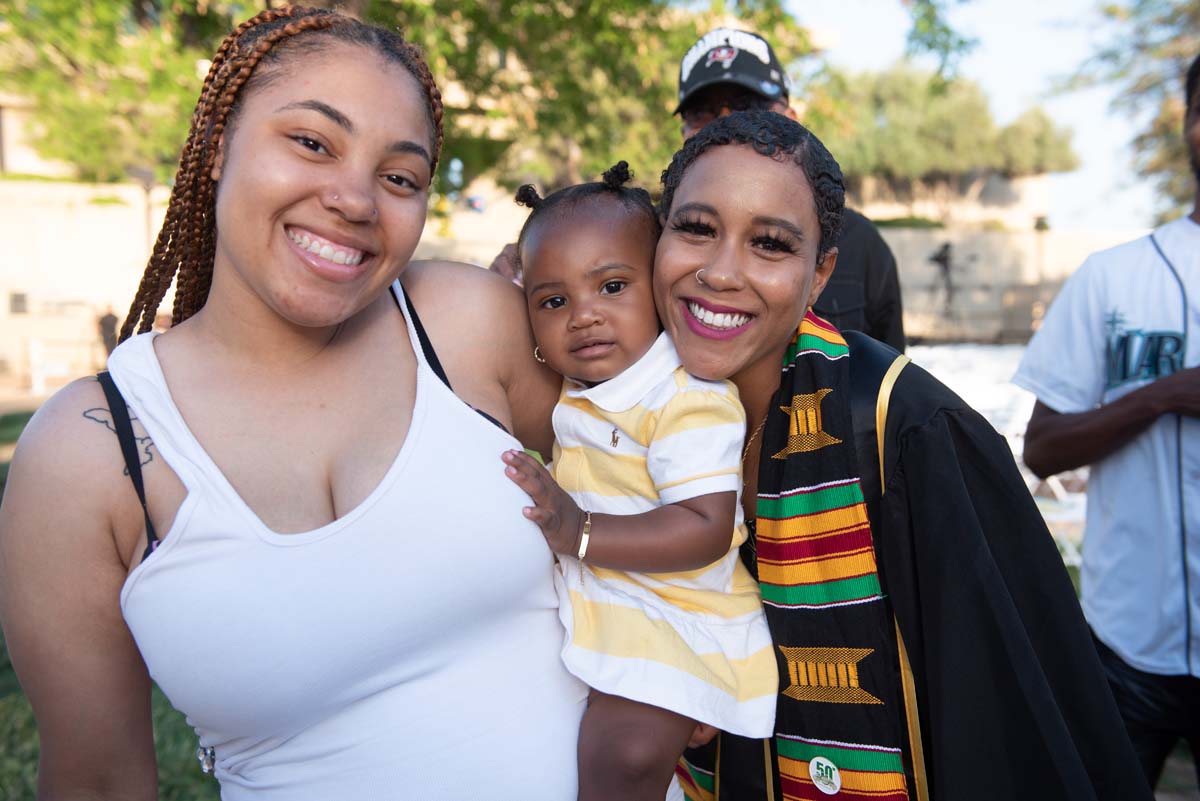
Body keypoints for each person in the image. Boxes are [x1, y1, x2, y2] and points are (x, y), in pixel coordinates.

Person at [0, 8, 587, 800]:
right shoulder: (93, 453)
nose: (355, 200)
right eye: (312, 142)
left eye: (400, 177)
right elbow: (97, 781)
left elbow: (652, 452)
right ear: (217, 146)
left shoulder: (465, 322)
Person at [657, 110, 1153, 801]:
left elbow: (1001, 727)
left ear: (820, 273)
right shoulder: (622, 409)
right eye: (695, 228)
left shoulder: (899, 424)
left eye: (769, 243)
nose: (720, 271)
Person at [500, 162, 776, 800]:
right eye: (554, 301)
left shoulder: (685, 398)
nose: (584, 316)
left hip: (675, 618)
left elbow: (706, 527)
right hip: (601, 605)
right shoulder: (578, 390)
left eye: (613, 286)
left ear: (658, 286)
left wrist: (579, 531)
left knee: (623, 756)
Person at [1012, 52, 1200, 792]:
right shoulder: (1116, 275)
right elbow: (1042, 449)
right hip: (1126, 640)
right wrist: (1160, 396)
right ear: (1188, 127)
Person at [673, 28, 905, 351]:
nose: (726, 123)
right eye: (701, 112)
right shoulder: (649, 240)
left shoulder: (862, 246)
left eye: (748, 105)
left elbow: (887, 370)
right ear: (684, 131)